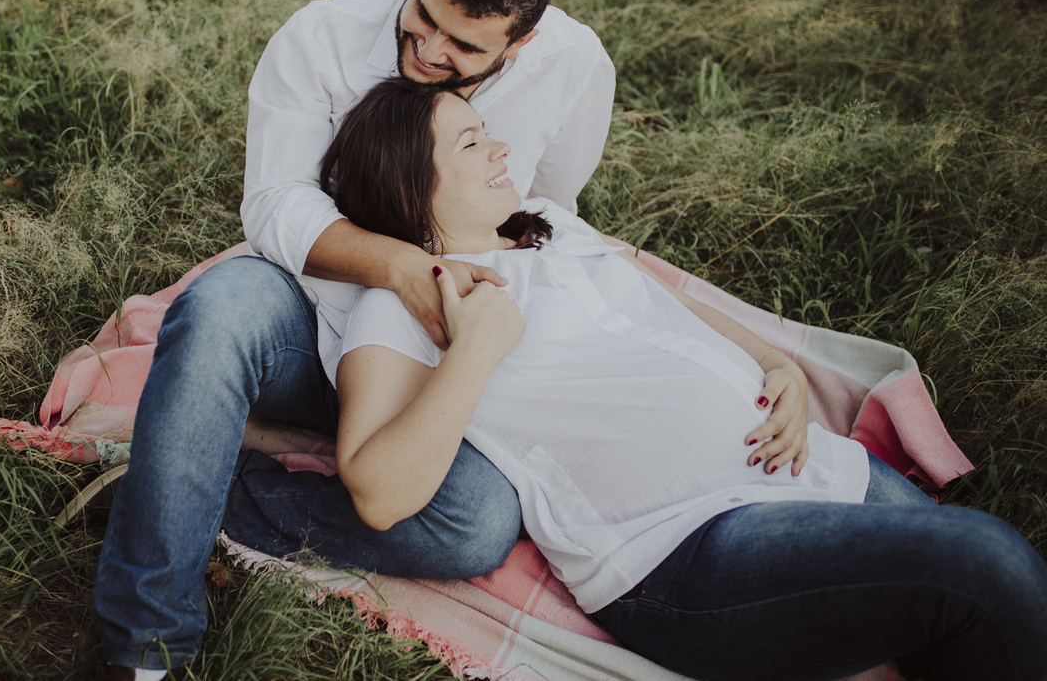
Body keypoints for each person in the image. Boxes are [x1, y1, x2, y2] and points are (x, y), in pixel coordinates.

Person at [324, 77, 1047, 681]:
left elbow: (670, 305)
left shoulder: (545, 223)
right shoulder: (407, 305)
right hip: (685, 553)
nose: (501, 146)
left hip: (813, 469)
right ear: (410, 186)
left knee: (990, 622)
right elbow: (379, 492)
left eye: (488, 130)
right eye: (471, 142)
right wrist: (473, 352)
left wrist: (777, 364)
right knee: (987, 565)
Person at [91, 0, 616, 679]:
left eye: (463, 46)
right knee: (218, 312)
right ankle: (146, 648)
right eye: (423, 18)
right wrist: (405, 268)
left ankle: (192, 490)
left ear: (523, 40)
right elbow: (274, 205)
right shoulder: (321, 37)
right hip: (313, 317)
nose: (428, 49)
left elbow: (545, 207)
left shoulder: (575, 66)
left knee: (475, 526)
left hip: (448, 360)